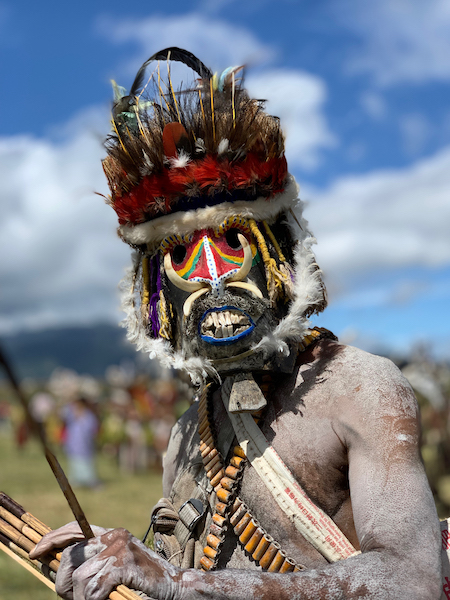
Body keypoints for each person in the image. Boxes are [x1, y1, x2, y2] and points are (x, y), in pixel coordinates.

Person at [31, 48, 442, 599]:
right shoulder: (186, 432)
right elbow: (192, 563)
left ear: (280, 256)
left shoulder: (359, 388)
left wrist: (178, 581)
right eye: (179, 255)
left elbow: (411, 579)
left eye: (232, 244)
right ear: (156, 290)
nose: (212, 280)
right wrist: (126, 554)